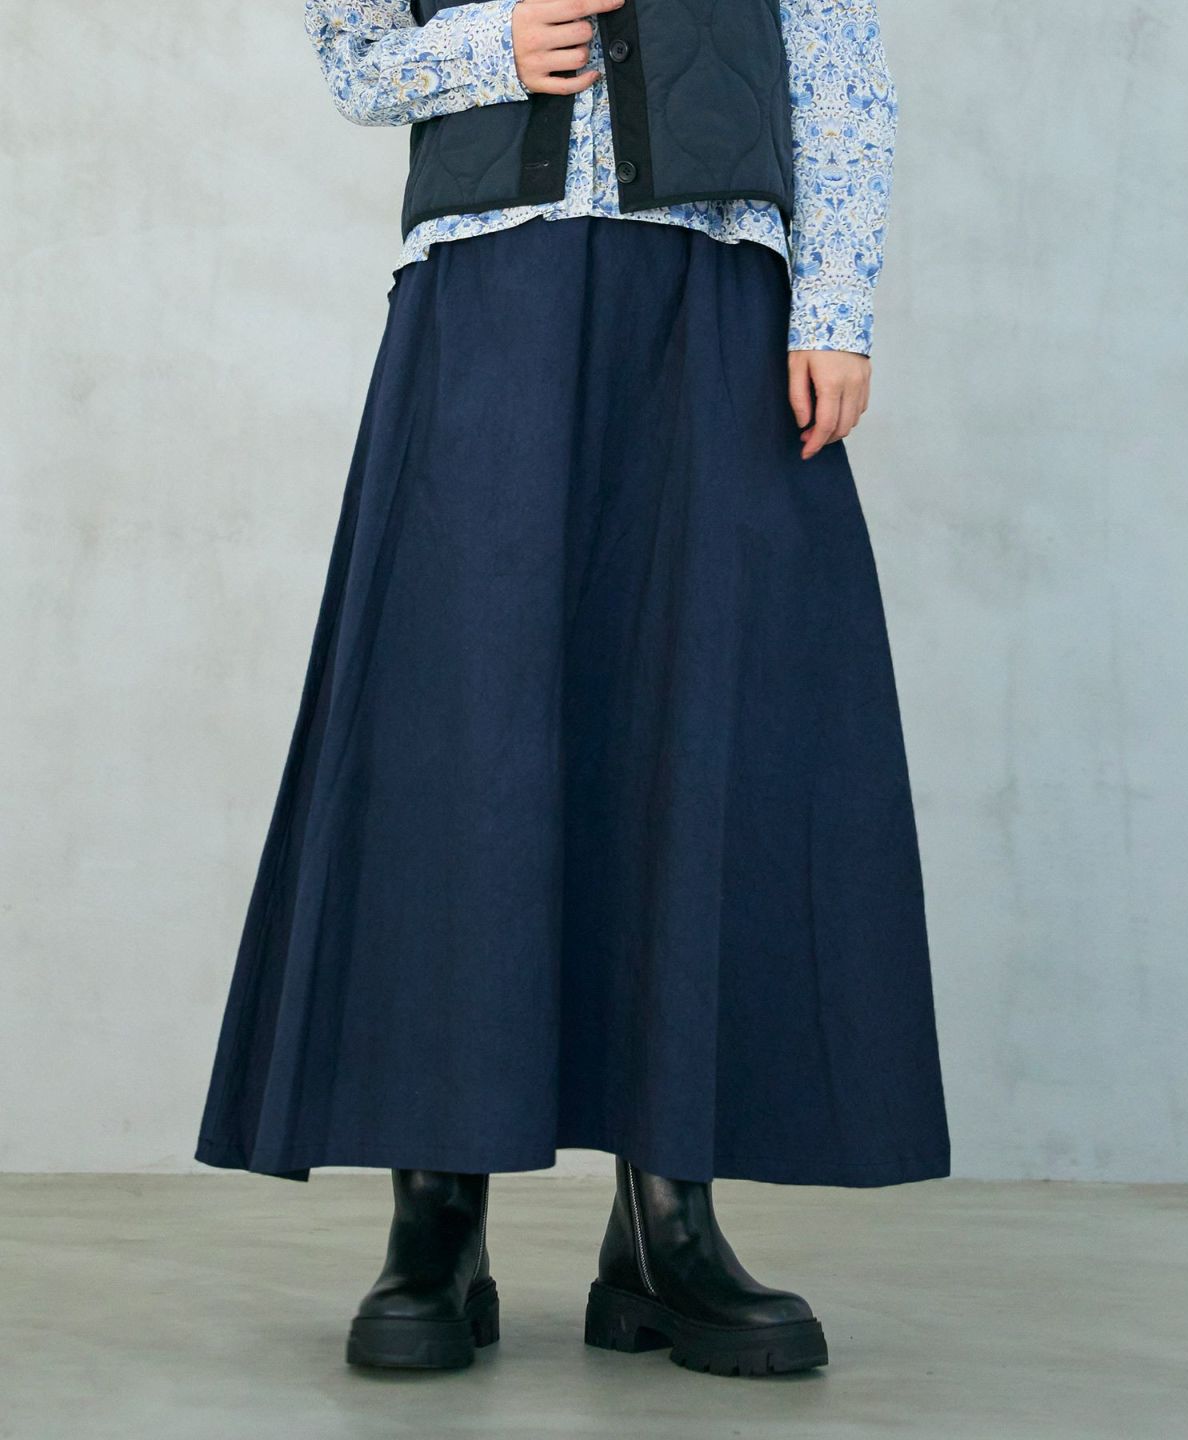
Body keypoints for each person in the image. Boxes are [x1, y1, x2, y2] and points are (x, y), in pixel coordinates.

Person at [195, 0, 951, 1379]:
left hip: (712, 296)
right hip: (489, 292)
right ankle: (435, 1219)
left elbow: (840, 60)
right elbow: (353, 50)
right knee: (453, 741)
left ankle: (666, 1224)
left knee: (695, 733)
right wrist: (490, 46)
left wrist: (837, 303)